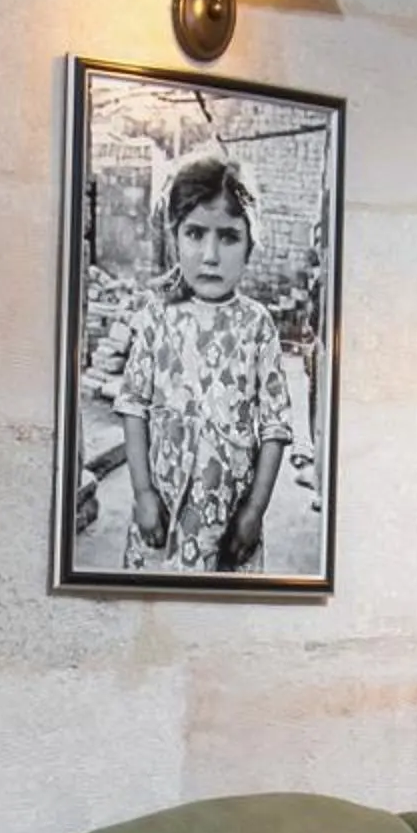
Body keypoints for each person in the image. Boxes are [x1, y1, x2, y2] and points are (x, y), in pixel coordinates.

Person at [115, 153, 294, 573]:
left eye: (228, 237)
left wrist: (254, 512)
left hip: (227, 524)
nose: (210, 255)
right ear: (174, 236)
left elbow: (275, 426)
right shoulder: (157, 315)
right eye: (195, 234)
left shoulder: (257, 325)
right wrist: (143, 494)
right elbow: (133, 407)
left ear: (251, 241)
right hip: (161, 519)